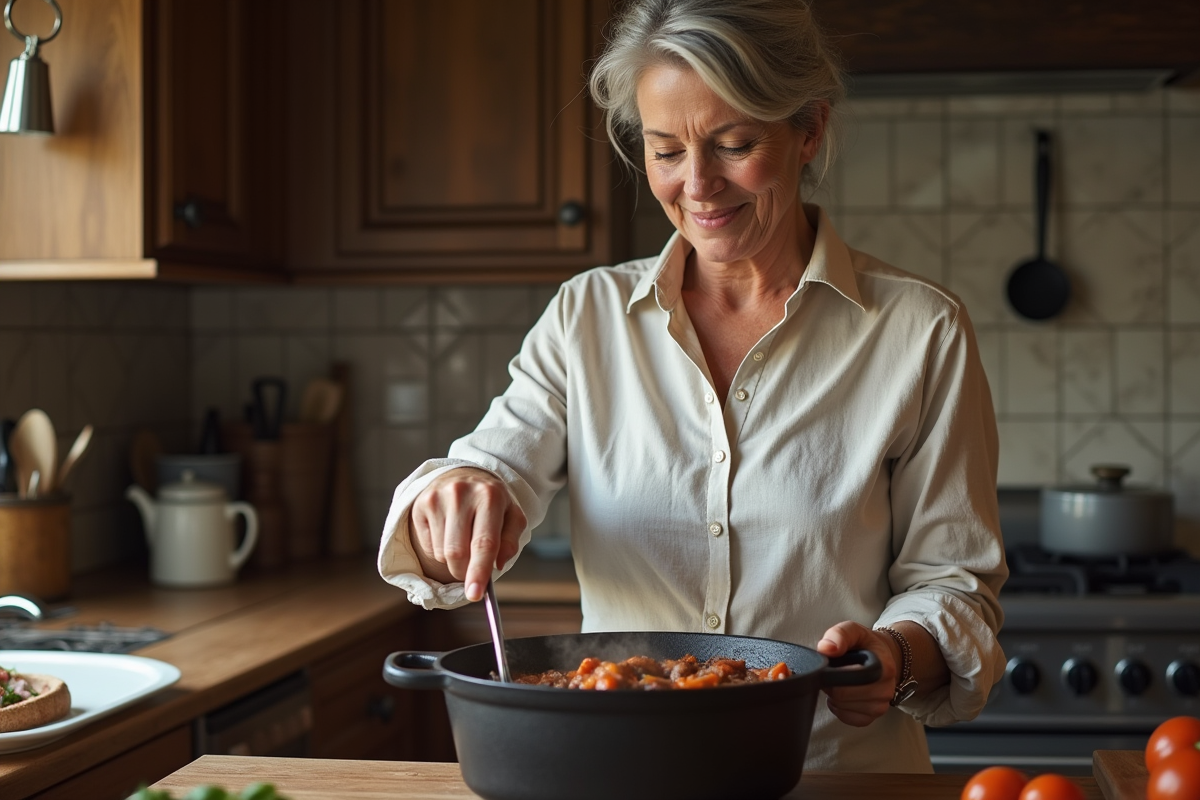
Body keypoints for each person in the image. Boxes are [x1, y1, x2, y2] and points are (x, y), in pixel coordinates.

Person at [378, 0, 1007, 773]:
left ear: (809, 129)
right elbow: (493, 467)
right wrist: (459, 495)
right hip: (618, 772)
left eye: (734, 144)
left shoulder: (920, 330)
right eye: (666, 150)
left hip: (833, 776)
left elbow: (953, 583)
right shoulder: (587, 318)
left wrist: (896, 656)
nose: (698, 185)